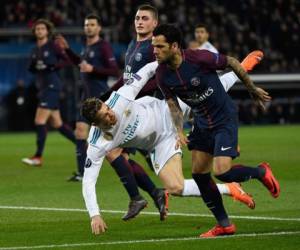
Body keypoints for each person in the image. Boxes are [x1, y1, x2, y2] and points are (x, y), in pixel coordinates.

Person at [80, 60, 257, 235]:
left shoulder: (120, 98)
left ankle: (239, 69)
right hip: (159, 144)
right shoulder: (97, 143)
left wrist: (167, 63)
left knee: (205, 95)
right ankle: (231, 188)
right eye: (105, 116)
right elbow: (88, 180)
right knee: (175, 187)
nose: (111, 114)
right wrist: (94, 215)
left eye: (108, 108)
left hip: (169, 113)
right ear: (96, 124)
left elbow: (149, 69)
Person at [152, 24, 280, 237]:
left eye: (159, 46)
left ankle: (260, 172)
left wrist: (251, 88)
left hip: (224, 118)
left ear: (174, 46)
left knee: (222, 172)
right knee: (199, 175)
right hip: (202, 123)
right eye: (153, 46)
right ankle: (224, 224)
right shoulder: (162, 74)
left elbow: (231, 62)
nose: (154, 50)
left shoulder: (199, 58)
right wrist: (178, 130)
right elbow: (172, 104)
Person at [55, 14, 120, 181]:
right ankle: (82, 173)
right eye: (86, 25)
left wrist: (93, 69)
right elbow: (81, 64)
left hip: (100, 98)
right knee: (80, 132)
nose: (89, 27)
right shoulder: (86, 47)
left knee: (117, 134)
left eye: (92, 24)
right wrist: (68, 50)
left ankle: (147, 152)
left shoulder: (103, 46)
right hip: (86, 99)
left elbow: (114, 71)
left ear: (98, 28)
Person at [22, 19, 76, 166]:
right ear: (35, 32)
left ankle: (38, 157)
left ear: (47, 31)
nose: (39, 31)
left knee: (39, 121)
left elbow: (67, 61)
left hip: (52, 86)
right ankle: (83, 144)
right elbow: (32, 68)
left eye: (42, 29)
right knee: (58, 124)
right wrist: (34, 66)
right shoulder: (34, 50)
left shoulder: (53, 46)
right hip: (43, 88)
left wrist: (52, 66)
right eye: (37, 29)